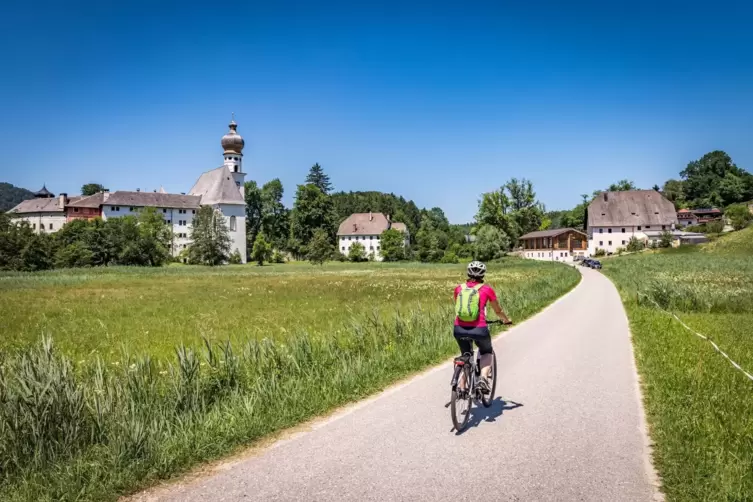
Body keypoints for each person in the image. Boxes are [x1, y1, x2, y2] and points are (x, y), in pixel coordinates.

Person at [453, 261, 512, 393]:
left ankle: (462, 387)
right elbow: (498, 310)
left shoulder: (459, 288)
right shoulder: (486, 289)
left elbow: (459, 308)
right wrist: (506, 320)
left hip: (459, 328)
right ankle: (483, 379)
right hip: (479, 329)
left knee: (466, 355)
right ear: (483, 274)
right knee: (486, 352)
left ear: (468, 273)